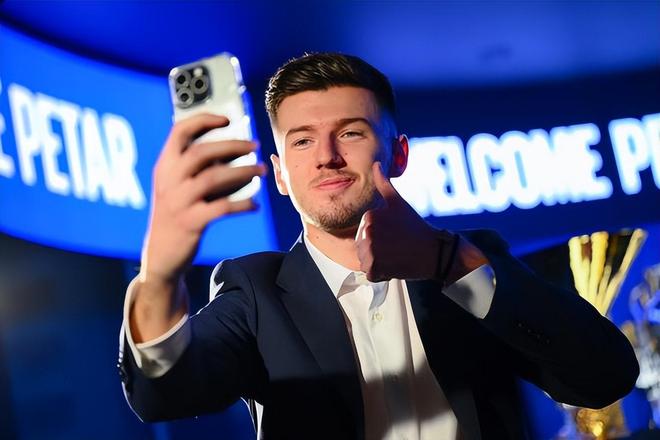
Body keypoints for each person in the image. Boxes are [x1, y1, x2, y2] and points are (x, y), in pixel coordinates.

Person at [118, 53, 638, 440]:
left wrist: (450, 263)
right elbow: (164, 395)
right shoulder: (254, 292)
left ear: (399, 154)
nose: (326, 156)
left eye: (350, 133)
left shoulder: (472, 259)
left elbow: (605, 376)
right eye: (301, 140)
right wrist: (159, 277)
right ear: (279, 174)